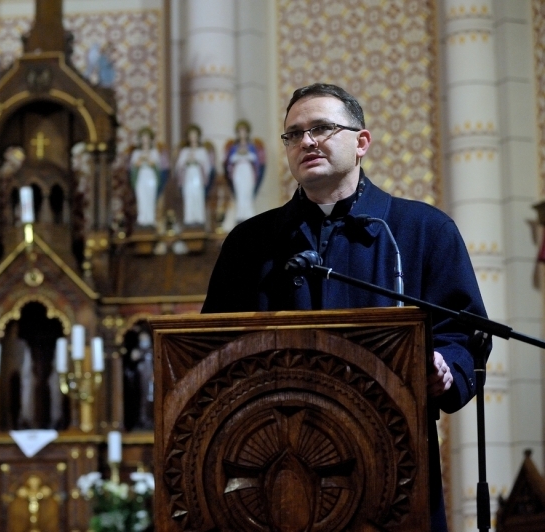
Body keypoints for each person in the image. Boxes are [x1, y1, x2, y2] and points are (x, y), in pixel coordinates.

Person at [203, 83, 488, 532]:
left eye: (321, 128)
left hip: (391, 457)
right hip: (277, 460)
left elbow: (464, 334)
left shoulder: (422, 229)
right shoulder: (250, 243)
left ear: (361, 142)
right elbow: (213, 346)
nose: (306, 142)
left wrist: (445, 367)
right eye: (294, 134)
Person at [223, 120, 265, 222]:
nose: (242, 134)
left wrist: (246, 154)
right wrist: (239, 155)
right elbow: (230, 160)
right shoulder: (234, 147)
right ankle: (240, 216)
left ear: (247, 132)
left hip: (248, 171)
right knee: (240, 193)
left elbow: (256, 160)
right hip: (238, 171)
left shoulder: (251, 146)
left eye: (244, 131)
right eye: (240, 131)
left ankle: (248, 215)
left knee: (247, 192)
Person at [174, 124, 214, 227]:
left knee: (198, 196)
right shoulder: (184, 151)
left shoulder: (202, 151)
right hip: (188, 175)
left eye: (195, 135)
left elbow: (208, 166)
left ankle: (199, 219)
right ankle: (189, 219)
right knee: (189, 195)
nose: (193, 138)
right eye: (191, 135)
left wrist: (197, 161)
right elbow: (178, 166)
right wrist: (187, 162)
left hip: (198, 175)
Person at [129, 127, 168, 227]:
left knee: (150, 196)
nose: (145, 140)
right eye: (143, 138)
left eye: (147, 137)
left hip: (150, 176)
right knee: (141, 197)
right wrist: (141, 160)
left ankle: (150, 219)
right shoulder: (136, 152)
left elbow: (157, 165)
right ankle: (142, 219)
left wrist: (148, 160)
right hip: (141, 176)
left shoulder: (154, 152)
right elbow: (133, 166)